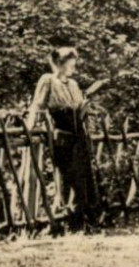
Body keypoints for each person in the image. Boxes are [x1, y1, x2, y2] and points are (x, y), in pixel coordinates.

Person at [27, 47, 107, 232]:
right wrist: (30, 128)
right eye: (70, 63)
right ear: (59, 63)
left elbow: (80, 107)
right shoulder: (48, 80)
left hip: (79, 134)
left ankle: (88, 222)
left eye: (74, 63)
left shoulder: (73, 84)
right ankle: (71, 222)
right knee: (69, 178)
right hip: (62, 135)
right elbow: (37, 105)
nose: (73, 66)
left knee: (86, 177)